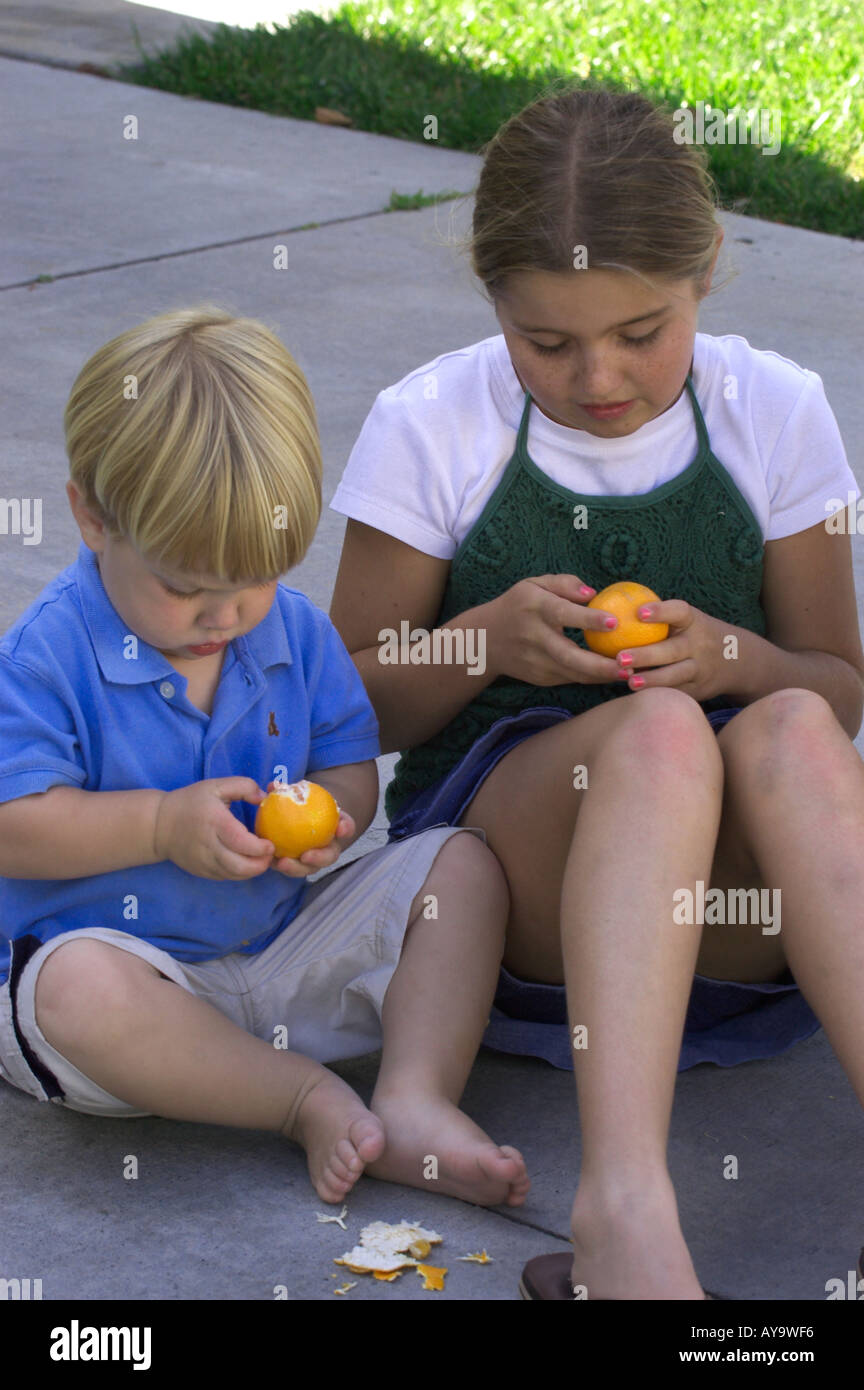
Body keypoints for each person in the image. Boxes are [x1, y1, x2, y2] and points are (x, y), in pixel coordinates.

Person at [328, 86, 864, 1298]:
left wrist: (743, 659)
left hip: (731, 933)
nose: (599, 376)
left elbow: (839, 690)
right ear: (493, 303)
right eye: (548, 342)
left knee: (778, 723)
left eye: (640, 329)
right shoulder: (431, 424)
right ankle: (625, 1218)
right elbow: (339, 715)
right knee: (666, 737)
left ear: (708, 272)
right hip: (516, 914)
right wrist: (477, 642)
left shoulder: (776, 412)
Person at [0, 305, 531, 1213]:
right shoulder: (47, 657)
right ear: (90, 516)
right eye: (184, 587)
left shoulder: (291, 632)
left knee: (462, 865)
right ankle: (300, 1098)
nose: (225, 617)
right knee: (74, 992)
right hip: (127, 978)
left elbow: (349, 767)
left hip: (280, 953)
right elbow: (16, 829)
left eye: (256, 580)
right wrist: (163, 826)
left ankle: (411, 1096)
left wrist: (336, 821)